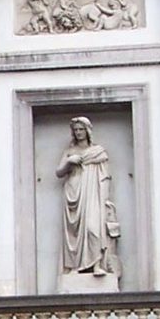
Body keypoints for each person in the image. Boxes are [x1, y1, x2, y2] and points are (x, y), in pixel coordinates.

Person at [56, 115, 121, 288]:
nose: (78, 132)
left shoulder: (97, 152)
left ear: (87, 131)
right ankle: (74, 268)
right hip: (73, 191)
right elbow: (59, 172)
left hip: (93, 193)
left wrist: (104, 198)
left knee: (94, 229)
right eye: (76, 130)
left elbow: (105, 176)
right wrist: (69, 162)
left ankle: (97, 264)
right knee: (74, 234)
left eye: (81, 129)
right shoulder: (70, 151)